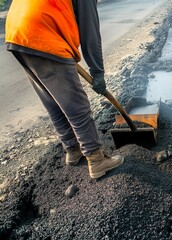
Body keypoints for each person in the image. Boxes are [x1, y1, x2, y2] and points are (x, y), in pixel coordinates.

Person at [5, 0, 124, 178]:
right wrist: (97, 72)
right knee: (76, 104)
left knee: (51, 99)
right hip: (41, 30)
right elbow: (89, 31)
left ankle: (73, 149)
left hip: (17, 31)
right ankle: (97, 160)